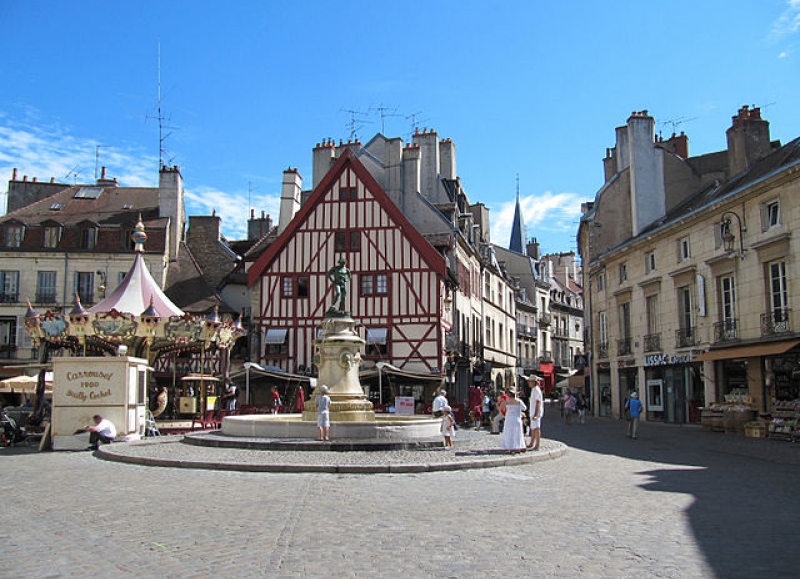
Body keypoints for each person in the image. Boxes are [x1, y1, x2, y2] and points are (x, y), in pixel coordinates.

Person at [500, 388, 527, 453]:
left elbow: (501, 407)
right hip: (517, 419)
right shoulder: (519, 401)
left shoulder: (506, 401)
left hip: (509, 419)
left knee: (508, 434)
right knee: (517, 434)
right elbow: (525, 408)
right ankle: (517, 447)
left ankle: (509, 447)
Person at [527, 376, 544, 450]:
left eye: (530, 381)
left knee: (536, 428)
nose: (528, 383)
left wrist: (535, 414)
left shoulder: (536, 390)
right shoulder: (533, 390)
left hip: (535, 413)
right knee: (533, 428)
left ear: (534, 382)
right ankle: (531, 443)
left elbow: (538, 402)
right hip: (533, 412)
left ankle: (537, 445)